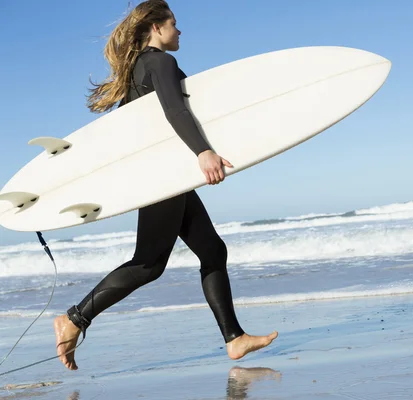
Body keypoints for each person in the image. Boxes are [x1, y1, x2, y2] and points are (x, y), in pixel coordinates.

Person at [53, 0, 277, 371]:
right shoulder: (160, 62)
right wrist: (204, 151)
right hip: (165, 179)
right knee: (148, 264)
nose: (179, 30)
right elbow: (177, 110)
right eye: (174, 23)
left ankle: (234, 339)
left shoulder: (137, 71)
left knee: (212, 250)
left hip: (168, 176)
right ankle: (74, 319)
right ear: (156, 27)